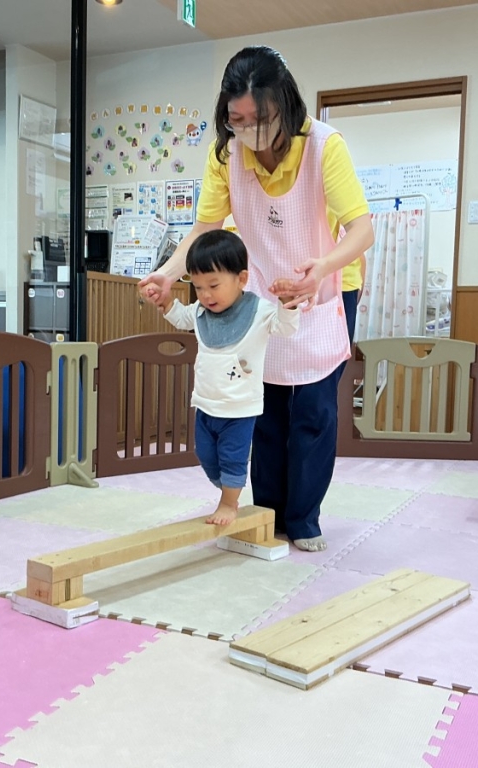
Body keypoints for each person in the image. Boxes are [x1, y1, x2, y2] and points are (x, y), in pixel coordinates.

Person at [140, 45, 374, 552]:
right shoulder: (226, 154)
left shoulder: (324, 146)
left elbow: (361, 230)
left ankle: (303, 518)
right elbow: (205, 227)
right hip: (263, 288)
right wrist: (166, 274)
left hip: (327, 285)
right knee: (262, 404)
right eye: (237, 120)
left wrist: (322, 269)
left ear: (284, 106)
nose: (249, 131)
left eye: (260, 120)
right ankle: (269, 513)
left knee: (312, 408)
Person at [156, 229, 299, 526]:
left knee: (233, 459)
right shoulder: (201, 311)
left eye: (213, 285)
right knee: (206, 456)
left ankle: (229, 503)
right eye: (198, 287)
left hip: (239, 409)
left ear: (241, 279)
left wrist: (288, 303)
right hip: (205, 405)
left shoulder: (258, 310)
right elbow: (183, 318)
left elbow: (285, 328)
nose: (205, 295)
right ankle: (229, 487)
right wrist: (167, 303)